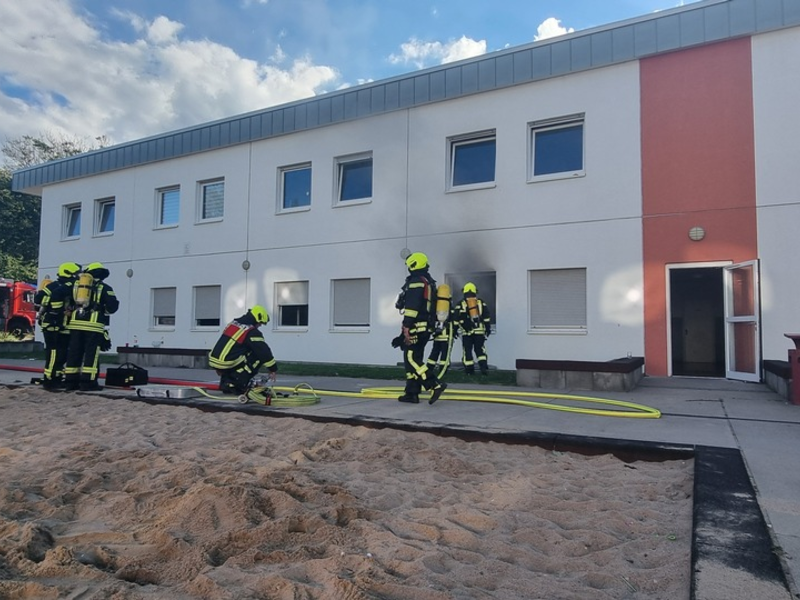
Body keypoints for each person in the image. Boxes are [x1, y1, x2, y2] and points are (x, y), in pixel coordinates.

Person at [394, 252, 447, 404]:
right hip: (425, 327)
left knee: (412, 359)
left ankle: (434, 384)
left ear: (413, 265)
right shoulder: (428, 281)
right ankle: (411, 393)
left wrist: (406, 326)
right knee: (409, 358)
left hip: (416, 326)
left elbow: (412, 307)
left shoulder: (416, 281)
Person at [64, 262, 120, 391]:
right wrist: (102, 309)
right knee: (91, 355)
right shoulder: (105, 288)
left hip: (75, 325)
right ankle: (88, 383)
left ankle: (71, 382)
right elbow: (113, 307)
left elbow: (63, 298)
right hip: (93, 327)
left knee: (74, 353)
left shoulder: (75, 286)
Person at [208, 305, 277, 399]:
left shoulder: (233, 323)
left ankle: (227, 384)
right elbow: (263, 351)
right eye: (260, 323)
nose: (259, 326)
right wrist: (272, 369)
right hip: (226, 361)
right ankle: (239, 384)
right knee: (257, 356)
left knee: (243, 352)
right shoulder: (251, 331)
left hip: (214, 359)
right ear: (257, 319)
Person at [34, 262, 81, 390]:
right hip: (52, 325)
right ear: (69, 273)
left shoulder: (56, 286)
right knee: (53, 352)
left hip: (63, 326)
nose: (78, 276)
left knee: (63, 353)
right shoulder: (61, 286)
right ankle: (50, 380)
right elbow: (38, 299)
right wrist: (58, 311)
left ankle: (57, 377)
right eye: (76, 274)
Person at [455, 282, 492, 376]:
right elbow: (486, 316)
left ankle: (469, 370)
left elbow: (456, 318)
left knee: (467, 350)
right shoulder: (480, 302)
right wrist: (488, 328)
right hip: (479, 331)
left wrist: (455, 329)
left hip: (467, 332)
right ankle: (483, 368)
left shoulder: (461, 303)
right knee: (480, 350)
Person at [426, 282, 455, 380]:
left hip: (437, 334)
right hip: (446, 335)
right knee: (445, 354)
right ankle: (443, 369)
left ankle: (429, 369)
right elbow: (452, 318)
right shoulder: (448, 304)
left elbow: (432, 316)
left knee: (434, 352)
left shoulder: (436, 304)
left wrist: (433, 330)